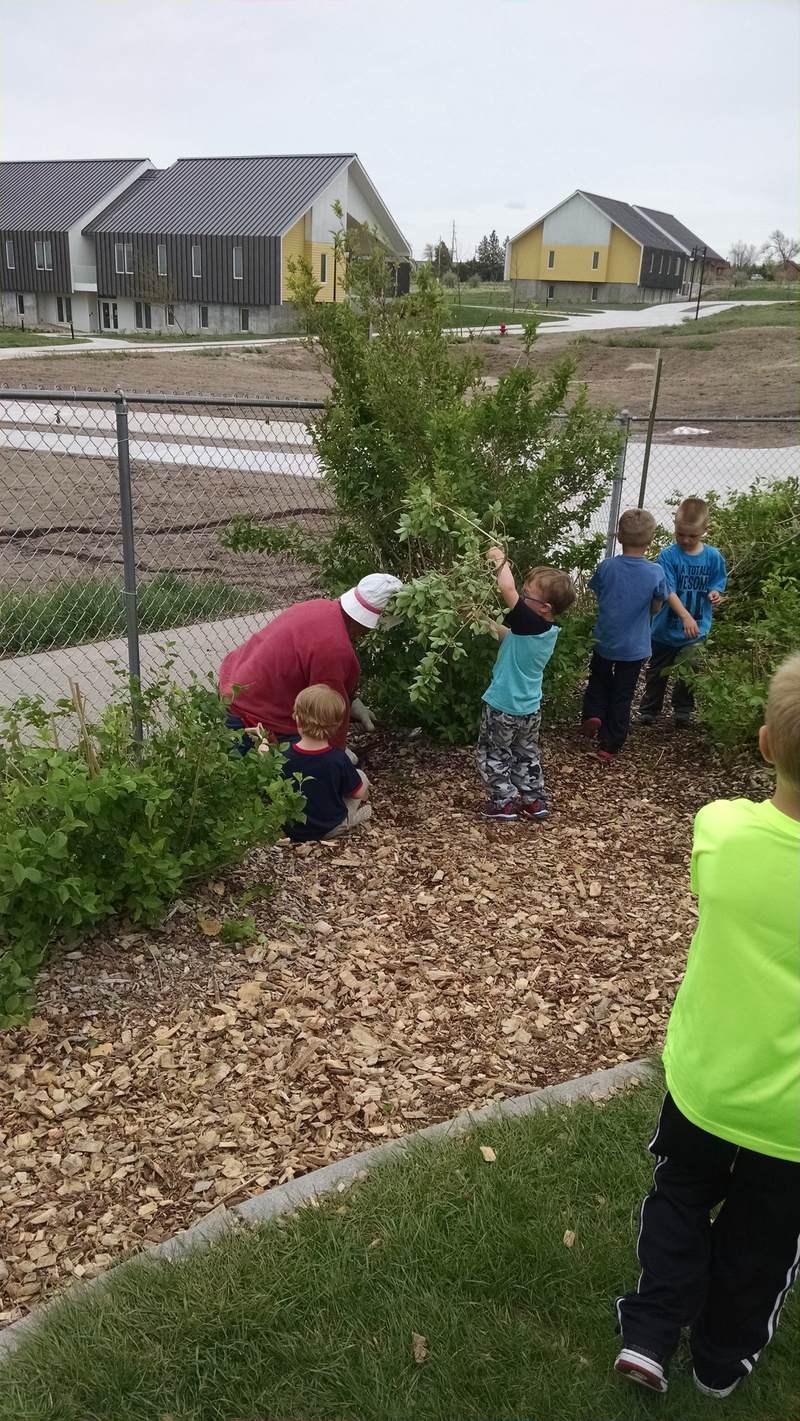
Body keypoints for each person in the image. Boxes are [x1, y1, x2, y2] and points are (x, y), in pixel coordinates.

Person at [614, 651, 800, 1399]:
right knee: (766, 1237)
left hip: (704, 1080)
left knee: (681, 1194)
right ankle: (721, 1359)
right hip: (791, 1122)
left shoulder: (720, 830)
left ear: (764, 743)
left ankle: (653, 1331)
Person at [219, 573, 402, 754]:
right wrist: (337, 756)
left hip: (236, 687)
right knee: (309, 766)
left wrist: (353, 703)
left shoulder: (320, 606)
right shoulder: (334, 648)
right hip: (253, 717)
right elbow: (324, 714)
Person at [477, 547, 575, 822]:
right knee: (526, 753)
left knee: (493, 753)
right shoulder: (545, 630)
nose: (520, 597)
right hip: (529, 709)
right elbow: (509, 638)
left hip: (503, 705)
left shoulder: (532, 622)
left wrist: (499, 559)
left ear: (544, 607)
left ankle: (502, 803)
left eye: (526, 596)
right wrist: (480, 619)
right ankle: (534, 801)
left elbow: (506, 586)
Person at [580, 508, 668, 761]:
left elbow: (600, 593)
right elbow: (656, 606)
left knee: (598, 679)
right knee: (623, 693)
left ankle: (594, 713)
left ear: (618, 536)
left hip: (605, 639)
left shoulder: (607, 567)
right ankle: (610, 744)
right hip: (634, 646)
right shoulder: (656, 572)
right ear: (651, 540)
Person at [637, 498, 727, 727]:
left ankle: (683, 709)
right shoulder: (668, 556)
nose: (686, 540)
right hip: (665, 628)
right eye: (680, 534)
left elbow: (718, 581)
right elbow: (668, 591)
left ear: (705, 530)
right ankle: (649, 709)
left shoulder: (713, 557)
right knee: (657, 670)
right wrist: (684, 616)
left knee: (690, 667)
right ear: (674, 525)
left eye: (692, 536)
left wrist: (716, 592)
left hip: (697, 628)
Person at [268, 684, 372, 842]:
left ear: (299, 721)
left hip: (293, 829)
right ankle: (361, 815)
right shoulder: (338, 758)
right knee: (360, 777)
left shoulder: (284, 756)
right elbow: (356, 794)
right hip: (330, 828)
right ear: (336, 726)